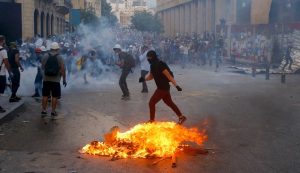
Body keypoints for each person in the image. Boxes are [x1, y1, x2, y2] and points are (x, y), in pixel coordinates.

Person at [139, 50, 187, 124]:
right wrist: (144, 79)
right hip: (162, 88)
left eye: (148, 58)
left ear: (152, 57)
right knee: (169, 103)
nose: (148, 60)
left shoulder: (161, 64)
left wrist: (176, 86)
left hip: (163, 88)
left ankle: (152, 121)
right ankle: (181, 117)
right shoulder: (152, 65)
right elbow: (151, 76)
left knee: (151, 103)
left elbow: (169, 76)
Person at [41, 42, 67, 118]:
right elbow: (63, 69)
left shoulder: (45, 55)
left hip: (46, 79)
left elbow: (42, 67)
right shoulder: (60, 57)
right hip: (56, 80)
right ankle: (53, 111)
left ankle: (43, 110)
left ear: (51, 48)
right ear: (57, 49)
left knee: (45, 95)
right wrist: (64, 80)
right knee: (55, 96)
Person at [0, 35, 13, 113]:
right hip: (1, 73)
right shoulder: (3, 50)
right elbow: (6, 62)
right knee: (0, 91)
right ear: (3, 40)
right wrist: (10, 72)